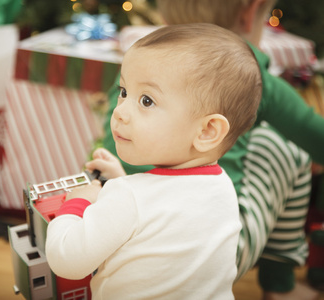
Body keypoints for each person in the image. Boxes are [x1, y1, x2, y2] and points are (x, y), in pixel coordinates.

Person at [98, 0, 323, 299]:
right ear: (249, 12)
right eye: (126, 95)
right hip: (212, 255)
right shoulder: (250, 76)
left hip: (116, 236)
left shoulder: (144, 64)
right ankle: (280, 284)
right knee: (284, 146)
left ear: (164, 12)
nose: (121, 111)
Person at [46, 23, 262, 299]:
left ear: (207, 131)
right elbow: (158, 215)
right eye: (124, 92)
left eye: (146, 101)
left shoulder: (128, 198)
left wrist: (78, 203)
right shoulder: (222, 189)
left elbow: (67, 260)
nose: (120, 111)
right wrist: (120, 181)